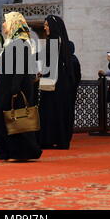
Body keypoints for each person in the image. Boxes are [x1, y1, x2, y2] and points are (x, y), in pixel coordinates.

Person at [0, 12, 42, 162]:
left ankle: (18, 152)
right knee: (5, 120)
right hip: (6, 88)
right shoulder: (13, 42)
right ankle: (9, 152)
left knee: (15, 120)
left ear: (14, 24)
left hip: (13, 90)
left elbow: (20, 70)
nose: (3, 24)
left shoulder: (20, 43)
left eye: (6, 21)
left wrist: (14, 90)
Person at [38, 15, 76, 149]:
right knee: (60, 111)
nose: (45, 27)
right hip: (63, 83)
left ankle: (48, 139)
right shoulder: (63, 41)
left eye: (47, 25)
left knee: (50, 111)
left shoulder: (53, 41)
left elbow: (42, 57)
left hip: (54, 85)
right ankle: (61, 139)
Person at [69, 41, 82, 134]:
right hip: (73, 88)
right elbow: (78, 75)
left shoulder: (68, 59)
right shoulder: (75, 59)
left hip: (68, 88)